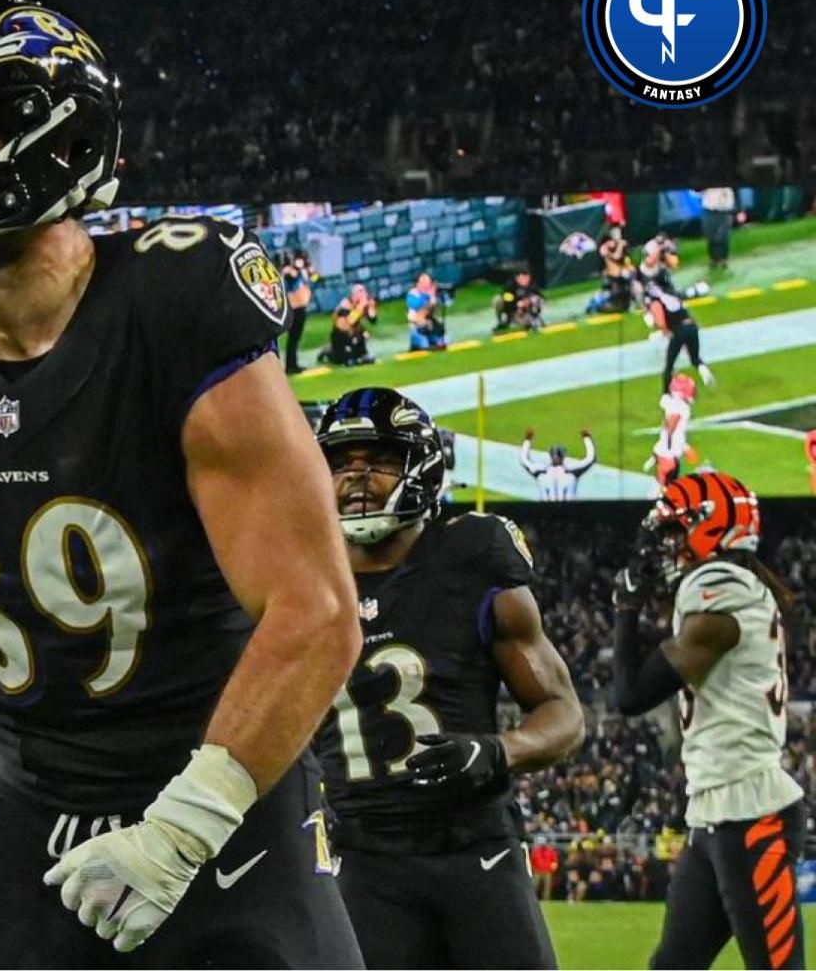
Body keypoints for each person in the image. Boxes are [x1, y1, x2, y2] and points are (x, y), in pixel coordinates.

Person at [0, 0, 362, 969]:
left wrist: (179, 831)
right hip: (33, 800)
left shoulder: (178, 300)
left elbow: (316, 608)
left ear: (57, 140)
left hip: (225, 803)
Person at [311, 389, 584, 968]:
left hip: (474, 848)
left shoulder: (471, 558)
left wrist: (496, 751)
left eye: (378, 461)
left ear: (420, 464)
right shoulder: (299, 579)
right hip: (363, 859)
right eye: (341, 463)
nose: (356, 479)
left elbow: (564, 714)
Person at [610, 472, 804, 969]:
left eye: (677, 532)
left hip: (751, 811)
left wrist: (626, 609)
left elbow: (631, 694)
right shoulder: (733, 590)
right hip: (715, 813)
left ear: (711, 526)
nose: (669, 547)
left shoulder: (721, 588)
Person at [645, 283, 714, 393]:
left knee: (669, 365)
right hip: (692, 327)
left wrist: (664, 333)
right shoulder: (672, 297)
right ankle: (705, 372)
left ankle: (666, 393)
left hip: (679, 331)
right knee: (694, 358)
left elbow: (662, 323)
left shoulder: (656, 303)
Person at [651, 374, 702, 488]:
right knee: (667, 488)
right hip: (669, 455)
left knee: (664, 487)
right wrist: (669, 453)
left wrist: (684, 447)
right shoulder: (681, 407)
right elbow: (671, 426)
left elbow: (672, 430)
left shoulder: (670, 402)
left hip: (665, 452)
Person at [519, 428, 598, 501]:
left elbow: (524, 460)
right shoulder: (572, 472)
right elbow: (590, 458)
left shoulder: (540, 472)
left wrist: (527, 440)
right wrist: (587, 438)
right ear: (563, 457)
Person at [281, 250, 318, 373]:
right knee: (293, 337)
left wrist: (309, 270)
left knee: (296, 337)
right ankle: (291, 365)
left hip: (301, 307)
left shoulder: (303, 271)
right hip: (295, 307)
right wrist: (299, 268)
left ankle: (293, 363)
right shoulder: (289, 271)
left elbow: (316, 278)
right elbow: (292, 277)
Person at [326, 282, 379, 365]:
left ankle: (362, 352)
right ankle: (330, 352)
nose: (364, 294)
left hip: (355, 331)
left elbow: (373, 320)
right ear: (354, 294)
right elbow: (350, 321)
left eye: (364, 291)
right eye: (360, 291)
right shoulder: (345, 304)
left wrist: (371, 308)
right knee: (347, 361)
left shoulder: (366, 303)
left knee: (363, 335)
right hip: (340, 334)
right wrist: (361, 305)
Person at [405, 271, 448, 350]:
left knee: (444, 341)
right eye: (423, 282)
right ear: (417, 284)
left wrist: (436, 299)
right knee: (424, 345)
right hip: (418, 327)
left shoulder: (431, 295)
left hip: (430, 325)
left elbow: (437, 310)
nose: (425, 285)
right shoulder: (412, 295)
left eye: (427, 282)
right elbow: (418, 310)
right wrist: (429, 299)